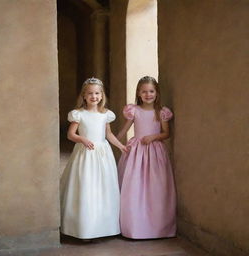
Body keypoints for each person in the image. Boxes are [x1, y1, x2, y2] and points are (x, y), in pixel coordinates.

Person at [60, 77, 127, 239]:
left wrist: (121, 146)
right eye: (90, 94)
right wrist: (82, 139)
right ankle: (85, 228)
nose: (94, 97)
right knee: (86, 186)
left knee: (103, 188)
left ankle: (104, 227)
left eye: (97, 93)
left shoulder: (105, 115)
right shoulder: (79, 114)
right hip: (86, 154)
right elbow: (70, 134)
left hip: (103, 155)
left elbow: (108, 134)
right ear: (84, 96)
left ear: (102, 95)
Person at [117, 76, 176, 239]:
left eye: (151, 91)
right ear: (138, 93)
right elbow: (124, 130)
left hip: (155, 153)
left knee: (156, 187)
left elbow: (166, 133)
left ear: (156, 93)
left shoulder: (161, 112)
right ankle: (135, 226)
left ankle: (157, 227)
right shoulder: (134, 110)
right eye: (144, 91)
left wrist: (153, 137)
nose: (148, 94)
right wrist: (111, 139)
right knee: (135, 187)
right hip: (137, 153)